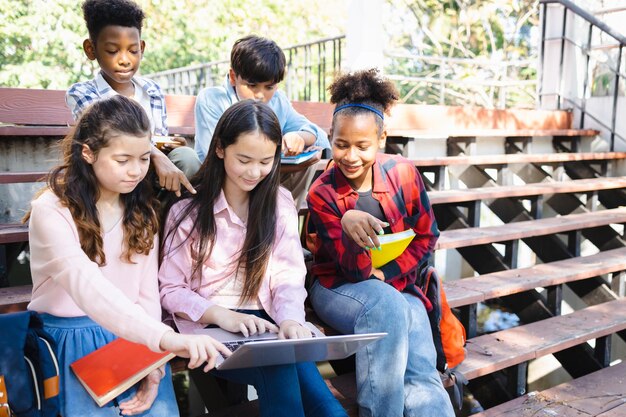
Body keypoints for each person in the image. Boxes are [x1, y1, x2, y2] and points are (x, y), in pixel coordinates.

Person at [26, 95, 230, 417]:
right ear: (88, 152)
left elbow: (147, 295)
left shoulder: (142, 211)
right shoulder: (51, 210)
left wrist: (153, 362)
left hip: (136, 338)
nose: (136, 171)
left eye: (144, 158)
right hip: (71, 343)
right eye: (123, 160)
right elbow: (87, 286)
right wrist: (163, 339)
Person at [159, 99, 346, 417]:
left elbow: (288, 275)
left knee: (328, 409)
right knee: (282, 369)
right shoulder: (188, 212)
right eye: (244, 160)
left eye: (265, 161)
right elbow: (170, 290)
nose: (255, 172)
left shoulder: (279, 202)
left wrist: (289, 320)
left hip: (267, 324)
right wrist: (223, 316)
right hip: (211, 330)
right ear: (220, 149)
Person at [306, 69, 455, 417]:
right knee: (388, 305)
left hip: (397, 283)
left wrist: (389, 275)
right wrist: (347, 224)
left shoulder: (403, 173)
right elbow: (354, 271)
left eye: (362, 146)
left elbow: (426, 235)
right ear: (331, 136)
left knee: (420, 367)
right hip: (338, 286)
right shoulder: (322, 193)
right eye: (341, 144)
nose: (351, 156)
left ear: (382, 139)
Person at [66, 0, 200, 196]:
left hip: (149, 174)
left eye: (133, 50)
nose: (124, 59)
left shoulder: (151, 90)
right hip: (111, 175)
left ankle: (171, 221)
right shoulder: (82, 93)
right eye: (112, 51)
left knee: (185, 157)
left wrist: (169, 145)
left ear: (142, 48)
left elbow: (158, 143)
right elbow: (111, 137)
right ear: (91, 49)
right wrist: (154, 152)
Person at [194, 35, 330, 208]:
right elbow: (212, 157)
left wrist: (299, 137)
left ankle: (282, 222)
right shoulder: (212, 99)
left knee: (307, 162)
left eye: (269, 87)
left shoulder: (278, 100)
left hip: (264, 180)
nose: (260, 95)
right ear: (233, 77)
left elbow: (319, 136)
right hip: (222, 182)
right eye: (252, 85)